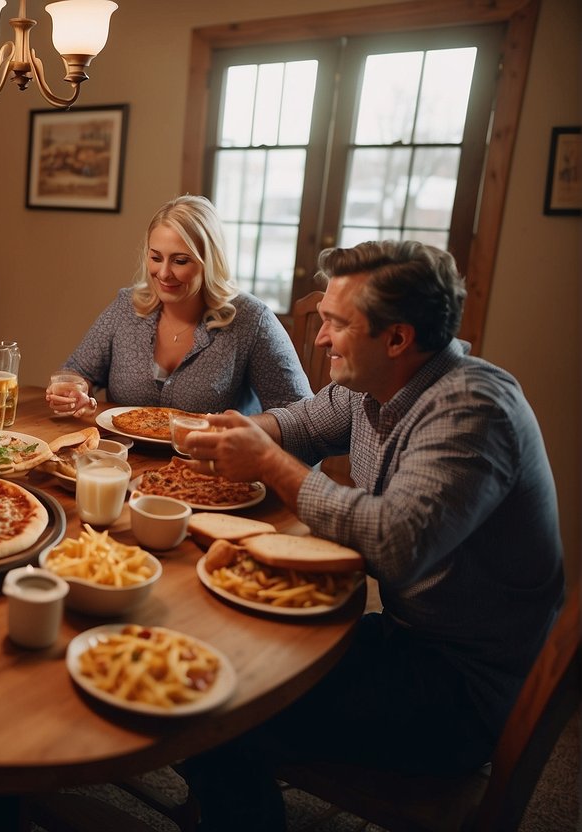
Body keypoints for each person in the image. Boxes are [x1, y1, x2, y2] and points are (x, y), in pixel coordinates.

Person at [178, 240, 564, 830]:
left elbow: (394, 545)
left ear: (398, 338)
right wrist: (241, 432)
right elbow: (302, 422)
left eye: (336, 323)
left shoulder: (472, 410)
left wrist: (269, 463)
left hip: (461, 687)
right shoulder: (375, 383)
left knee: (218, 710)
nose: (320, 339)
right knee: (230, 652)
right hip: (410, 639)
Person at [46, 194, 311, 417]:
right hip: (122, 456)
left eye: (180, 261)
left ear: (210, 262)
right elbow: (77, 371)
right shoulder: (126, 306)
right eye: (155, 258)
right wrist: (74, 390)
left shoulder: (252, 320)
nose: (163, 273)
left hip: (209, 463)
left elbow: (299, 417)